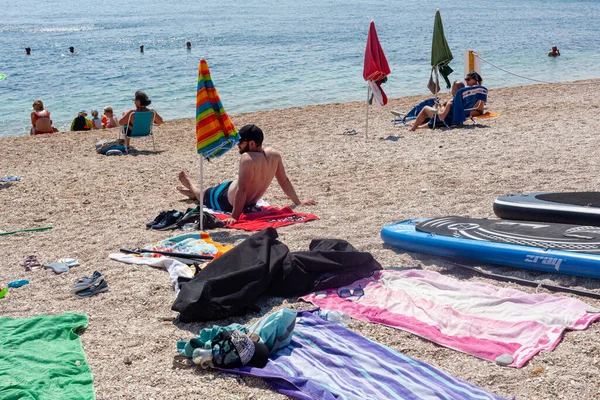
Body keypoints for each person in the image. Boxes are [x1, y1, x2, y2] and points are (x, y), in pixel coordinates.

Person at [176, 124, 316, 225]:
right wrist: (297, 201)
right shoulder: (274, 155)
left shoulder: (247, 157)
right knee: (206, 192)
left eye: (241, 143)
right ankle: (192, 193)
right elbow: (284, 181)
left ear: (252, 143)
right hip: (232, 190)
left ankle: (191, 187)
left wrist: (235, 217)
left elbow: (242, 189)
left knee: (202, 194)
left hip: (225, 200)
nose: (238, 146)